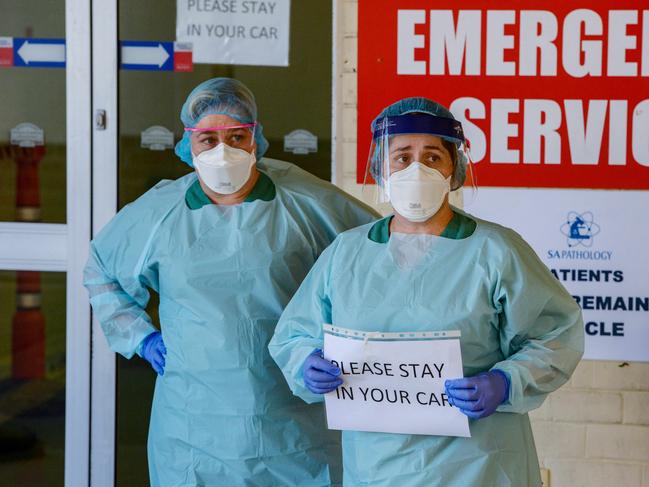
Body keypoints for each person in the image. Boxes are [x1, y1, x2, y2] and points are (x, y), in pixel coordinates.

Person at [269, 97, 584, 486]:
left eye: (432, 157)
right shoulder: (346, 254)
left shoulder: (496, 251)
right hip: (376, 465)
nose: (416, 169)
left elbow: (555, 334)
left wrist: (506, 382)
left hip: (477, 466)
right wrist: (305, 363)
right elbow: (293, 336)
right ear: (379, 169)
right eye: (401, 157)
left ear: (455, 168)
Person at [84, 77, 379, 486]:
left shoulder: (305, 202)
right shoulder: (160, 214)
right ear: (189, 145)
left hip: (292, 416)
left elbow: (376, 257)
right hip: (192, 425)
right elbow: (102, 269)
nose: (223, 151)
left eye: (236, 136)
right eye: (208, 139)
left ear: (256, 138)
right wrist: (140, 337)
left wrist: (347, 346)